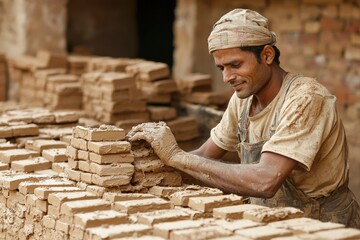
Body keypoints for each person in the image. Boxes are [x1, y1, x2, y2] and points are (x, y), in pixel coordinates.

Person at [128, 8, 360, 228]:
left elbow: (265, 180)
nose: (227, 77)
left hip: (320, 223)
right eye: (221, 68)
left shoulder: (307, 98)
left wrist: (176, 156)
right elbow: (204, 157)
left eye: (235, 65)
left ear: (267, 55)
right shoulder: (243, 100)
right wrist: (145, 166)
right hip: (269, 220)